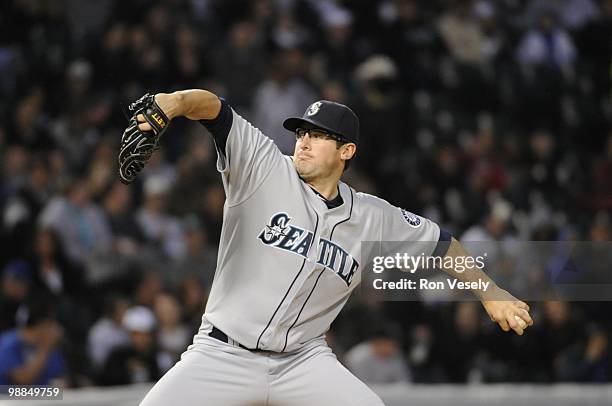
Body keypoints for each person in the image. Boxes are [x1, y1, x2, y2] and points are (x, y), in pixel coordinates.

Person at [134, 89, 533, 405]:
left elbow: (442, 245)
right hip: (223, 354)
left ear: (347, 151)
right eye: (302, 132)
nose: (304, 142)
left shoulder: (372, 216)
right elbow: (217, 111)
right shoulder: (264, 169)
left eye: (319, 135)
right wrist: (176, 103)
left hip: (302, 363)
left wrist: (490, 292)